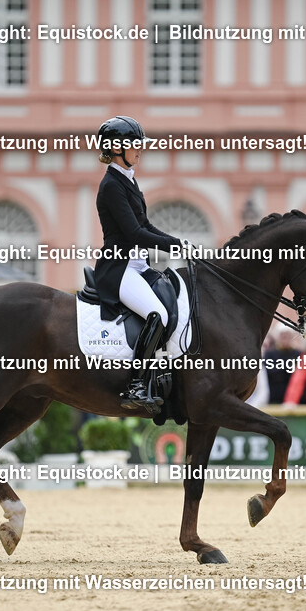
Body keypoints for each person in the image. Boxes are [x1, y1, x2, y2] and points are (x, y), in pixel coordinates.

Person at [92, 115, 188, 414]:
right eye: (135, 145)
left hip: (137, 265)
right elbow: (134, 234)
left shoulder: (128, 181)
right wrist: (172, 246)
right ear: (117, 147)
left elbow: (145, 224)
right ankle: (136, 384)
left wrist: (180, 242)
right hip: (118, 268)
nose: (140, 150)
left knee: (175, 305)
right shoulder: (111, 185)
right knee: (157, 313)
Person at [264, 327, 303, 405]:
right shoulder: (269, 354)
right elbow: (268, 372)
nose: (285, 339)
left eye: (288, 336)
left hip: (294, 399)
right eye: (283, 336)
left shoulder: (298, 354)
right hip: (273, 396)